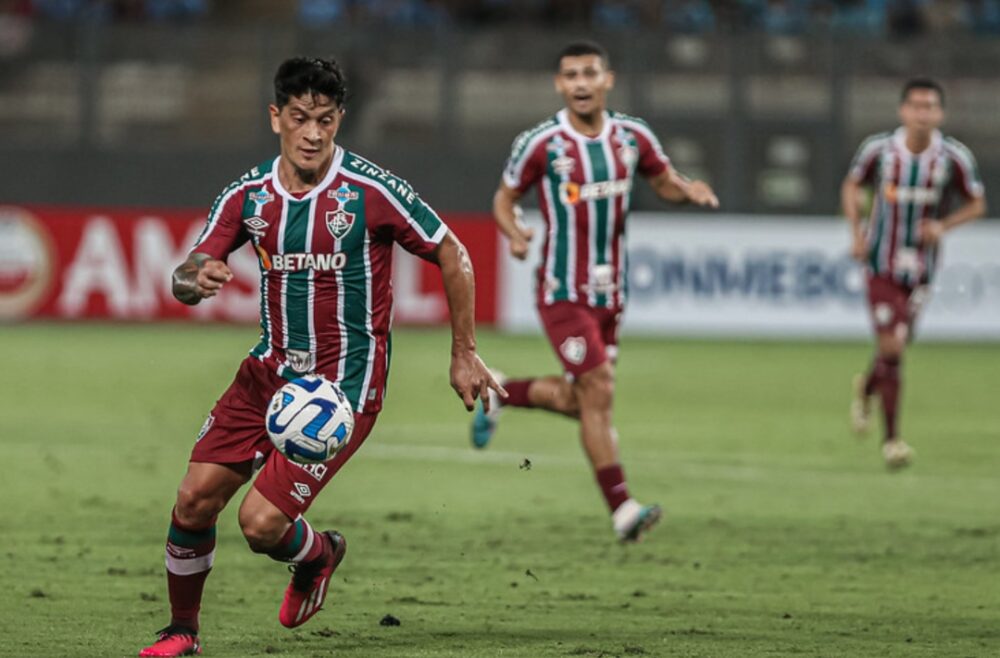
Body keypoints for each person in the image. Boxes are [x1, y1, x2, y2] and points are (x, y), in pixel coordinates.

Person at [139, 56, 504, 657]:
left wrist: (463, 351)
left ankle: (318, 555)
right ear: (275, 117)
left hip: (342, 389)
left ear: (340, 122)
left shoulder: (369, 190)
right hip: (268, 372)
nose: (313, 133)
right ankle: (183, 631)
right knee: (192, 499)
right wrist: (192, 279)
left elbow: (453, 252)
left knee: (259, 526)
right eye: (302, 118)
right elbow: (186, 271)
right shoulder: (248, 196)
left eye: (327, 120)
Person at [471, 41, 718, 542]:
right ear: (559, 85)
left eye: (589, 73)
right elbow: (504, 198)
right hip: (562, 292)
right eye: (570, 75)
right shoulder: (541, 143)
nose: (580, 83)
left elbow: (663, 181)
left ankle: (500, 391)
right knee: (599, 390)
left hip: (611, 295)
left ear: (608, 79)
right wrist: (515, 233)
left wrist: (686, 191)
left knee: (581, 399)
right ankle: (623, 508)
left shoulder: (632, 137)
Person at [843, 78, 985, 469]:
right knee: (893, 347)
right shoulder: (879, 151)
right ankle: (892, 441)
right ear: (903, 111)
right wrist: (856, 233)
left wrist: (944, 226)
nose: (923, 114)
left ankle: (868, 387)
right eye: (916, 106)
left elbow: (976, 203)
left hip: (922, 269)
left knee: (896, 348)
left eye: (930, 107)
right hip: (880, 264)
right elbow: (852, 184)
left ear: (940, 114)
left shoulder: (952, 158)